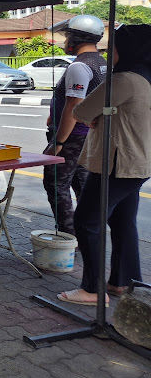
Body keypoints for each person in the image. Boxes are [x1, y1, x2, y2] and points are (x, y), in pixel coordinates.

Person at [57, 24, 151, 306]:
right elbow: (111, 111)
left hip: (116, 163)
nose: (111, 53)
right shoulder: (146, 79)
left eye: (115, 47)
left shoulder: (124, 80)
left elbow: (82, 111)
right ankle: (123, 281)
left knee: (87, 221)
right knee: (123, 222)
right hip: (138, 163)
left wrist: (100, 112)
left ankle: (92, 289)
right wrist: (106, 111)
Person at [43, 14, 106, 234]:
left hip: (74, 136)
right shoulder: (102, 64)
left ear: (76, 38)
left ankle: (68, 234)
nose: (65, 41)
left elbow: (73, 107)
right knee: (81, 184)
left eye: (67, 36)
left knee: (55, 182)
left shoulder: (80, 67)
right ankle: (86, 230)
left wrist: (59, 142)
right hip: (89, 135)